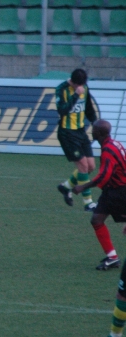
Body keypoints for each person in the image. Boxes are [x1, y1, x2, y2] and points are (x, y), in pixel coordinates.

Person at [72, 120, 126, 271]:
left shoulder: (108, 150)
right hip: (112, 190)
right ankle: (112, 258)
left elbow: (103, 177)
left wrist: (82, 186)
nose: (92, 132)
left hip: (119, 191)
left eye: (94, 130)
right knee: (96, 220)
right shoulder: (114, 143)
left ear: (100, 133)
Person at [55, 68, 98, 211]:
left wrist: (95, 124)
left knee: (91, 166)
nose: (81, 87)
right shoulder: (61, 89)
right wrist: (75, 96)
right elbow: (62, 110)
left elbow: (89, 108)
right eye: (79, 85)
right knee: (83, 166)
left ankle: (65, 187)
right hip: (67, 133)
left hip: (80, 132)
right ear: (73, 82)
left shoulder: (84, 88)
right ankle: (88, 202)